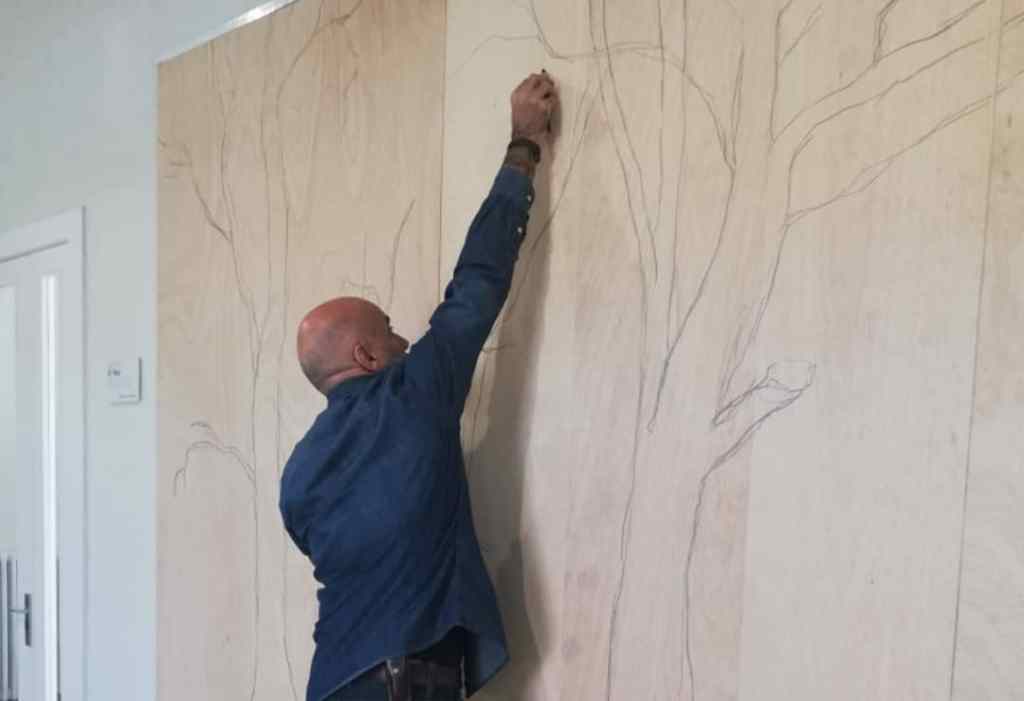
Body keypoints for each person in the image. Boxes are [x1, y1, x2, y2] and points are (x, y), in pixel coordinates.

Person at [279, 71, 559, 701]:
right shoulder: (413, 394)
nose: (406, 340)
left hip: (331, 684)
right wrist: (523, 147)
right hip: (403, 682)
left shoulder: (297, 475)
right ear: (365, 355)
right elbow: (478, 281)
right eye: (389, 330)